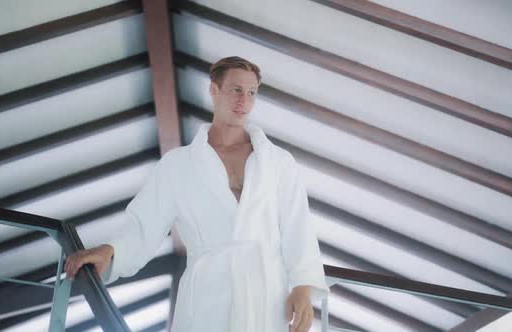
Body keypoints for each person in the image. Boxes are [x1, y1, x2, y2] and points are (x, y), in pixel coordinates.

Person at [64, 56, 330, 332]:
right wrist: (112, 250)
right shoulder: (179, 165)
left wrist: (302, 287)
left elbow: (297, 227)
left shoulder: (278, 162)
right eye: (236, 90)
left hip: (266, 295)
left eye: (251, 93)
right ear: (214, 90)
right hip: (207, 295)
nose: (244, 101)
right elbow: (145, 222)